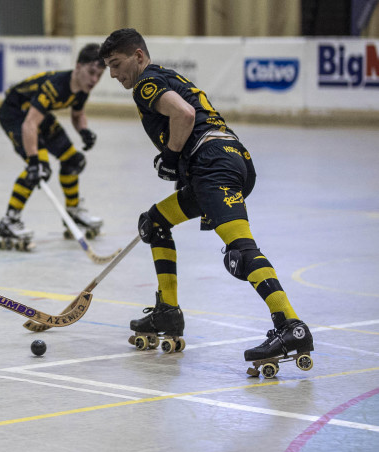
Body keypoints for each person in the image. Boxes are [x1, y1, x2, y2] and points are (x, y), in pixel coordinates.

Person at [98, 29, 313, 369]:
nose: (112, 74)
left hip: (213, 165)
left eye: (116, 64)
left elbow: (183, 115)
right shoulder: (167, 75)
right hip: (225, 161)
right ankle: (167, 313)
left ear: (138, 56)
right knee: (154, 223)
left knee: (241, 253)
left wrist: (170, 157)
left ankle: (291, 326)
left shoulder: (145, 84)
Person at [0, 43, 106, 249]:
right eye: (91, 72)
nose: (94, 80)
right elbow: (29, 124)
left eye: (99, 76)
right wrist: (34, 161)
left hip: (36, 115)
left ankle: (73, 213)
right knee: (39, 169)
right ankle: (9, 221)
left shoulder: (82, 88)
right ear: (78, 67)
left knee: (73, 160)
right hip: (15, 113)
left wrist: (84, 131)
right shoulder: (55, 86)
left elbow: (77, 114)